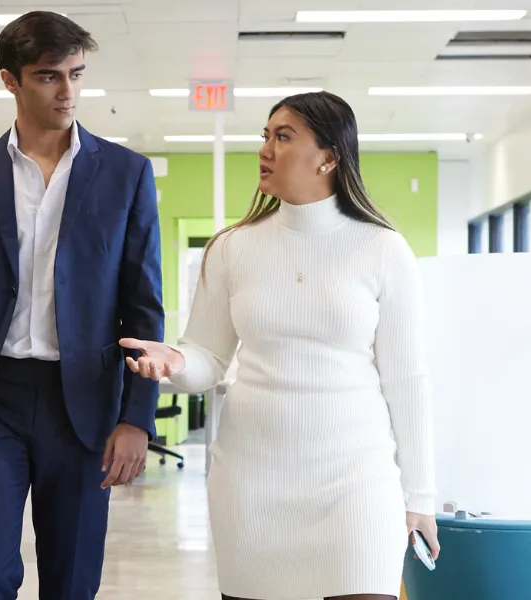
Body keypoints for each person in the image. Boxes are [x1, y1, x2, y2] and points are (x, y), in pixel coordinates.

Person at [120, 92, 440, 600]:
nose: (265, 149)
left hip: (356, 482)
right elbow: (208, 357)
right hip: (253, 485)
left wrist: (420, 496)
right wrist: (175, 360)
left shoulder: (383, 249)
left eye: (284, 137)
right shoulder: (232, 248)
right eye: (265, 136)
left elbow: (408, 381)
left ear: (328, 157)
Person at [0, 11, 164, 600]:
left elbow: (144, 309)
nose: (67, 91)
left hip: (85, 405)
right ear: (10, 80)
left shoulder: (126, 174)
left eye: (76, 74)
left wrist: (136, 418)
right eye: (49, 76)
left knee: (72, 581)